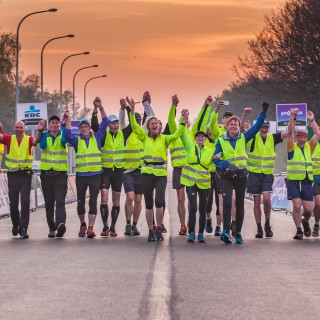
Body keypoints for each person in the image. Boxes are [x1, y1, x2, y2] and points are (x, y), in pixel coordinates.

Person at [127, 97, 188, 241]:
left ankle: (159, 229)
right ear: (148, 126)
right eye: (152, 123)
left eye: (156, 123)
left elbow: (177, 134)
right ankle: (150, 231)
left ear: (160, 127)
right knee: (149, 203)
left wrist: (183, 123)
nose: (154, 125)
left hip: (160, 174)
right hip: (147, 173)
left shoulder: (165, 139)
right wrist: (132, 111)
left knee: (159, 201)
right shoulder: (144, 137)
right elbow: (135, 127)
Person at [214, 102, 270, 244]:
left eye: (236, 124)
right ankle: (226, 230)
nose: (233, 126)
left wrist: (263, 111)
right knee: (227, 202)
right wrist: (225, 164)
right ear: (227, 126)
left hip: (241, 176)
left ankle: (238, 232)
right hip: (227, 176)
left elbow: (257, 127)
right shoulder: (221, 140)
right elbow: (214, 159)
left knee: (239, 204)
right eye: (231, 124)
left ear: (239, 127)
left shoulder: (244, 137)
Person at [64, 97, 109, 238]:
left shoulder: (97, 138)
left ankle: (90, 228)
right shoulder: (77, 141)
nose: (84, 129)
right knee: (80, 203)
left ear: (90, 128)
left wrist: (100, 107)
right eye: (82, 127)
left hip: (96, 175)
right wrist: (69, 119)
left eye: (86, 127)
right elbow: (67, 134)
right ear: (79, 129)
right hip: (82, 176)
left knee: (93, 201)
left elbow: (105, 122)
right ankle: (83, 224)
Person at [0, 120, 44, 239]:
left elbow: (36, 141)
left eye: (21, 127)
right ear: (14, 129)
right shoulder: (9, 139)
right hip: (12, 175)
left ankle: (23, 228)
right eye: (17, 127)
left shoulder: (29, 139)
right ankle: (15, 224)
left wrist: (40, 130)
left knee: (25, 203)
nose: (19, 129)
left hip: (26, 174)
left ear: (24, 129)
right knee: (13, 204)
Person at [247, 120, 288, 238]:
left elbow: (289, 131)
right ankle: (259, 227)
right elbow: (242, 135)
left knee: (266, 199)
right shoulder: (253, 138)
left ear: (268, 128)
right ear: (259, 128)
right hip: (254, 174)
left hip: (267, 174)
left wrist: (292, 119)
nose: (264, 129)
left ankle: (267, 223)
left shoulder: (272, 138)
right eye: (262, 127)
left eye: (266, 127)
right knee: (256, 201)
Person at [180, 110, 215, 243]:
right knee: (193, 207)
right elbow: (183, 135)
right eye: (198, 136)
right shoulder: (190, 147)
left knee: (203, 208)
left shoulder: (210, 151)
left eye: (202, 136)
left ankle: (201, 233)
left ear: (205, 139)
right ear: (195, 138)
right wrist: (183, 121)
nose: (200, 138)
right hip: (191, 183)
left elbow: (213, 165)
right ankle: (191, 233)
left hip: (205, 183)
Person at [286, 108, 320, 240]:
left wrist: (312, 120)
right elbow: (289, 132)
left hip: (306, 181)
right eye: (301, 137)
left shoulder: (309, 146)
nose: (303, 139)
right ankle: (299, 230)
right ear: (297, 137)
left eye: (305, 137)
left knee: (308, 210)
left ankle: (305, 221)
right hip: (294, 181)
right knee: (296, 205)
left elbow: (317, 133)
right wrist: (292, 117)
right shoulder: (291, 146)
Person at [39, 115, 68, 238]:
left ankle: (60, 224)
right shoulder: (45, 136)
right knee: (49, 203)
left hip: (60, 174)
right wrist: (40, 130)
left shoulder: (63, 135)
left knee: (60, 201)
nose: (55, 125)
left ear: (59, 124)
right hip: (46, 174)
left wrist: (65, 125)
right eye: (53, 123)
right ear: (49, 124)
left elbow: (64, 140)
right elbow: (42, 146)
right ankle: (52, 227)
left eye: (57, 123)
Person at [167, 94, 188, 235]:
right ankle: (182, 225)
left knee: (192, 200)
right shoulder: (175, 135)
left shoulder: (192, 136)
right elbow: (170, 120)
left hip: (192, 170)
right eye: (183, 122)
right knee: (181, 198)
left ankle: (193, 224)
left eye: (186, 122)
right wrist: (174, 105)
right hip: (179, 170)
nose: (185, 124)